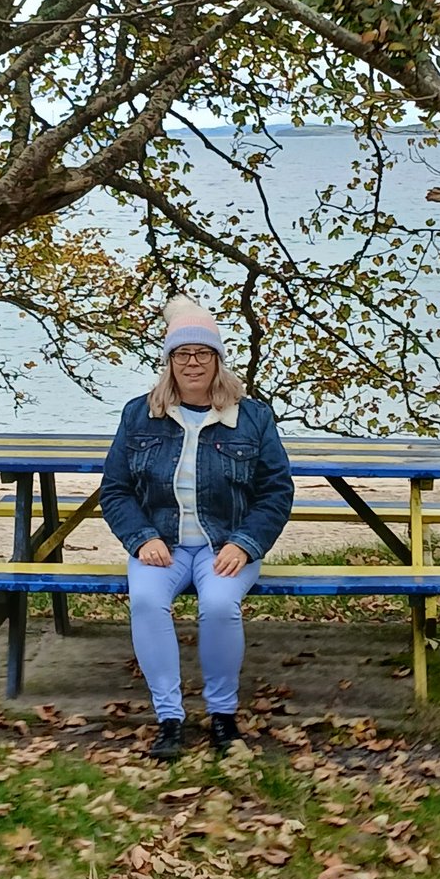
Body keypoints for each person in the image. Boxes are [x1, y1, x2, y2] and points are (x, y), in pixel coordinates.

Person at [100, 295, 294, 761]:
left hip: (223, 547)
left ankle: (223, 717)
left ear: (217, 361)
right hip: (160, 545)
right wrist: (142, 537)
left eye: (203, 353)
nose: (193, 362)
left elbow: (276, 491)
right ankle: (169, 718)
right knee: (146, 601)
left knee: (219, 605)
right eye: (182, 354)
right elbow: (116, 490)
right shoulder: (138, 413)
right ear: (169, 362)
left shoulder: (253, 417)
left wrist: (245, 545)